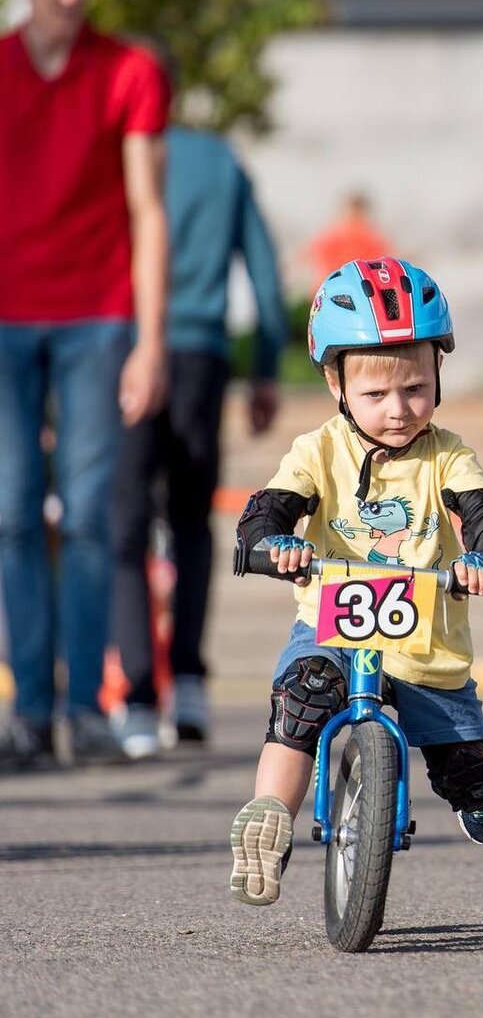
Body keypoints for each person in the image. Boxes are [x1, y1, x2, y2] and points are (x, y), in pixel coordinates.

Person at [227, 257, 483, 905]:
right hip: (331, 624)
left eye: (415, 388)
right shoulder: (319, 450)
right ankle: (267, 821)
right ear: (334, 383)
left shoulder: (447, 454)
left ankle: (479, 782)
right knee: (302, 700)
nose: (398, 410)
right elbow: (273, 504)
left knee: (471, 779)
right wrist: (271, 541)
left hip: (425, 645)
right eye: (376, 395)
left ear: (438, 375)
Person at [0, 0, 170, 770]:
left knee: (94, 513)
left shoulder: (127, 71)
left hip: (99, 315)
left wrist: (150, 340)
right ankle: (28, 712)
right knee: (13, 514)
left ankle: (86, 712)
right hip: (4, 320)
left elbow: (148, 208)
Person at [109, 123, 290, 758]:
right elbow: (266, 273)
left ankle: (134, 698)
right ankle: (188, 684)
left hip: (123, 346)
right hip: (200, 358)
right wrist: (266, 365)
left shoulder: (113, 153)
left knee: (125, 523)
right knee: (190, 520)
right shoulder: (219, 159)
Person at [307, 191, 395, 291]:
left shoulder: (328, 235)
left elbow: (311, 260)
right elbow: (385, 269)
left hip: (329, 289)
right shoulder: (375, 238)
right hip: (363, 291)